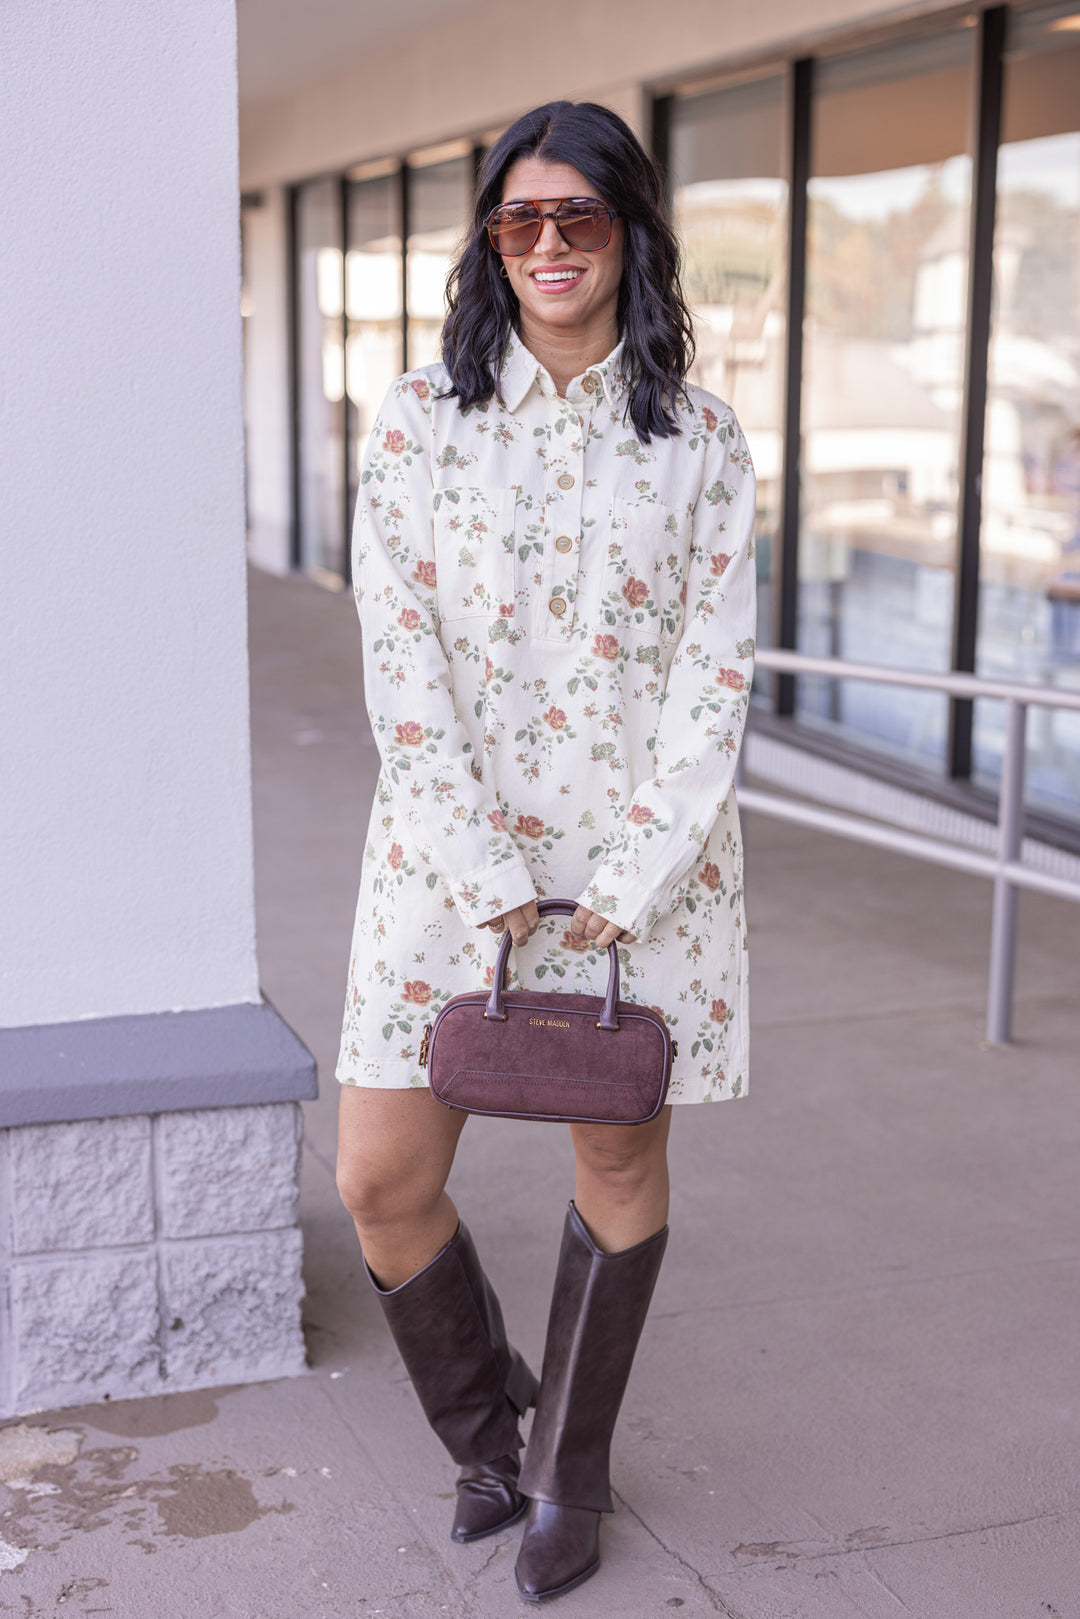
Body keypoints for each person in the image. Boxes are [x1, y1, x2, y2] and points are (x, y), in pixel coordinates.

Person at [335, 99, 757, 1603]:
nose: (551, 244)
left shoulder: (701, 439)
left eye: (581, 217)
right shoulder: (415, 420)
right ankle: (489, 1437)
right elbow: (399, 656)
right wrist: (487, 868)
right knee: (382, 1176)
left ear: (632, 234)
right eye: (522, 219)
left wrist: (621, 887)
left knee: (614, 1146)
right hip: (446, 865)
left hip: (646, 882)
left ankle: (568, 1471)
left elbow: (715, 681)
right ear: (490, 241)